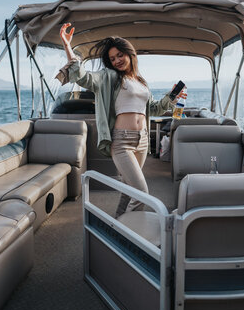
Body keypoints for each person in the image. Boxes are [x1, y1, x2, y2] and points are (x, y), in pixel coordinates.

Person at [56, 23, 186, 217]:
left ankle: (118, 227)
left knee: (129, 190)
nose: (116, 60)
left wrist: (172, 97)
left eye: (120, 55)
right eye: (112, 58)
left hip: (142, 141)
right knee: (142, 192)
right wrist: (68, 47)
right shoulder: (109, 76)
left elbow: (153, 108)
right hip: (122, 141)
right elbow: (83, 77)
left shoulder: (141, 82)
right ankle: (130, 232)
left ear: (130, 54)